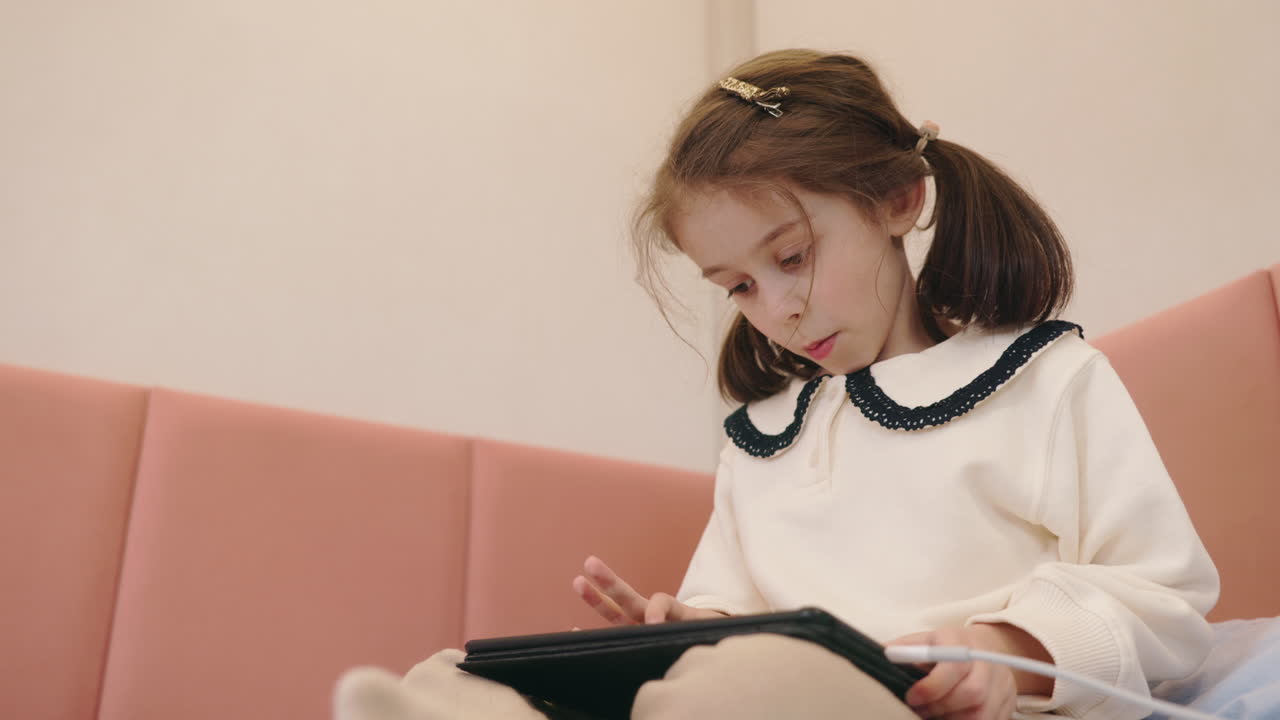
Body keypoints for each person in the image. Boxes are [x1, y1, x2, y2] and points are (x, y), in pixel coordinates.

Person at [333, 49, 1219, 720]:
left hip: (929, 708)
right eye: (739, 287)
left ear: (899, 201)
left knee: (756, 682)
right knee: (455, 675)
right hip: (756, 693)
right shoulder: (762, 439)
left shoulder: (1043, 380)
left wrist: (1002, 650)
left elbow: (1164, 598)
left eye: (792, 258)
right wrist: (681, 623)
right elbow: (733, 611)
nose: (777, 310)